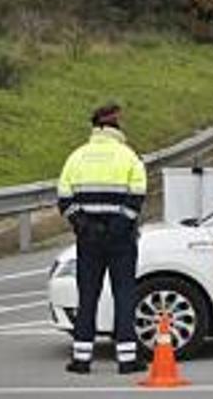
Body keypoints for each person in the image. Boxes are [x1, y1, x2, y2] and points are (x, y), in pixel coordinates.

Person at [57, 103, 147, 375]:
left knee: (88, 297)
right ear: (116, 127)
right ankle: (127, 359)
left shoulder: (77, 157)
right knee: (124, 295)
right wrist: (119, 225)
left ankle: (82, 359)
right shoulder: (128, 156)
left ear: (95, 128)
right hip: (121, 239)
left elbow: (64, 197)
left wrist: (83, 224)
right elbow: (138, 193)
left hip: (88, 239)